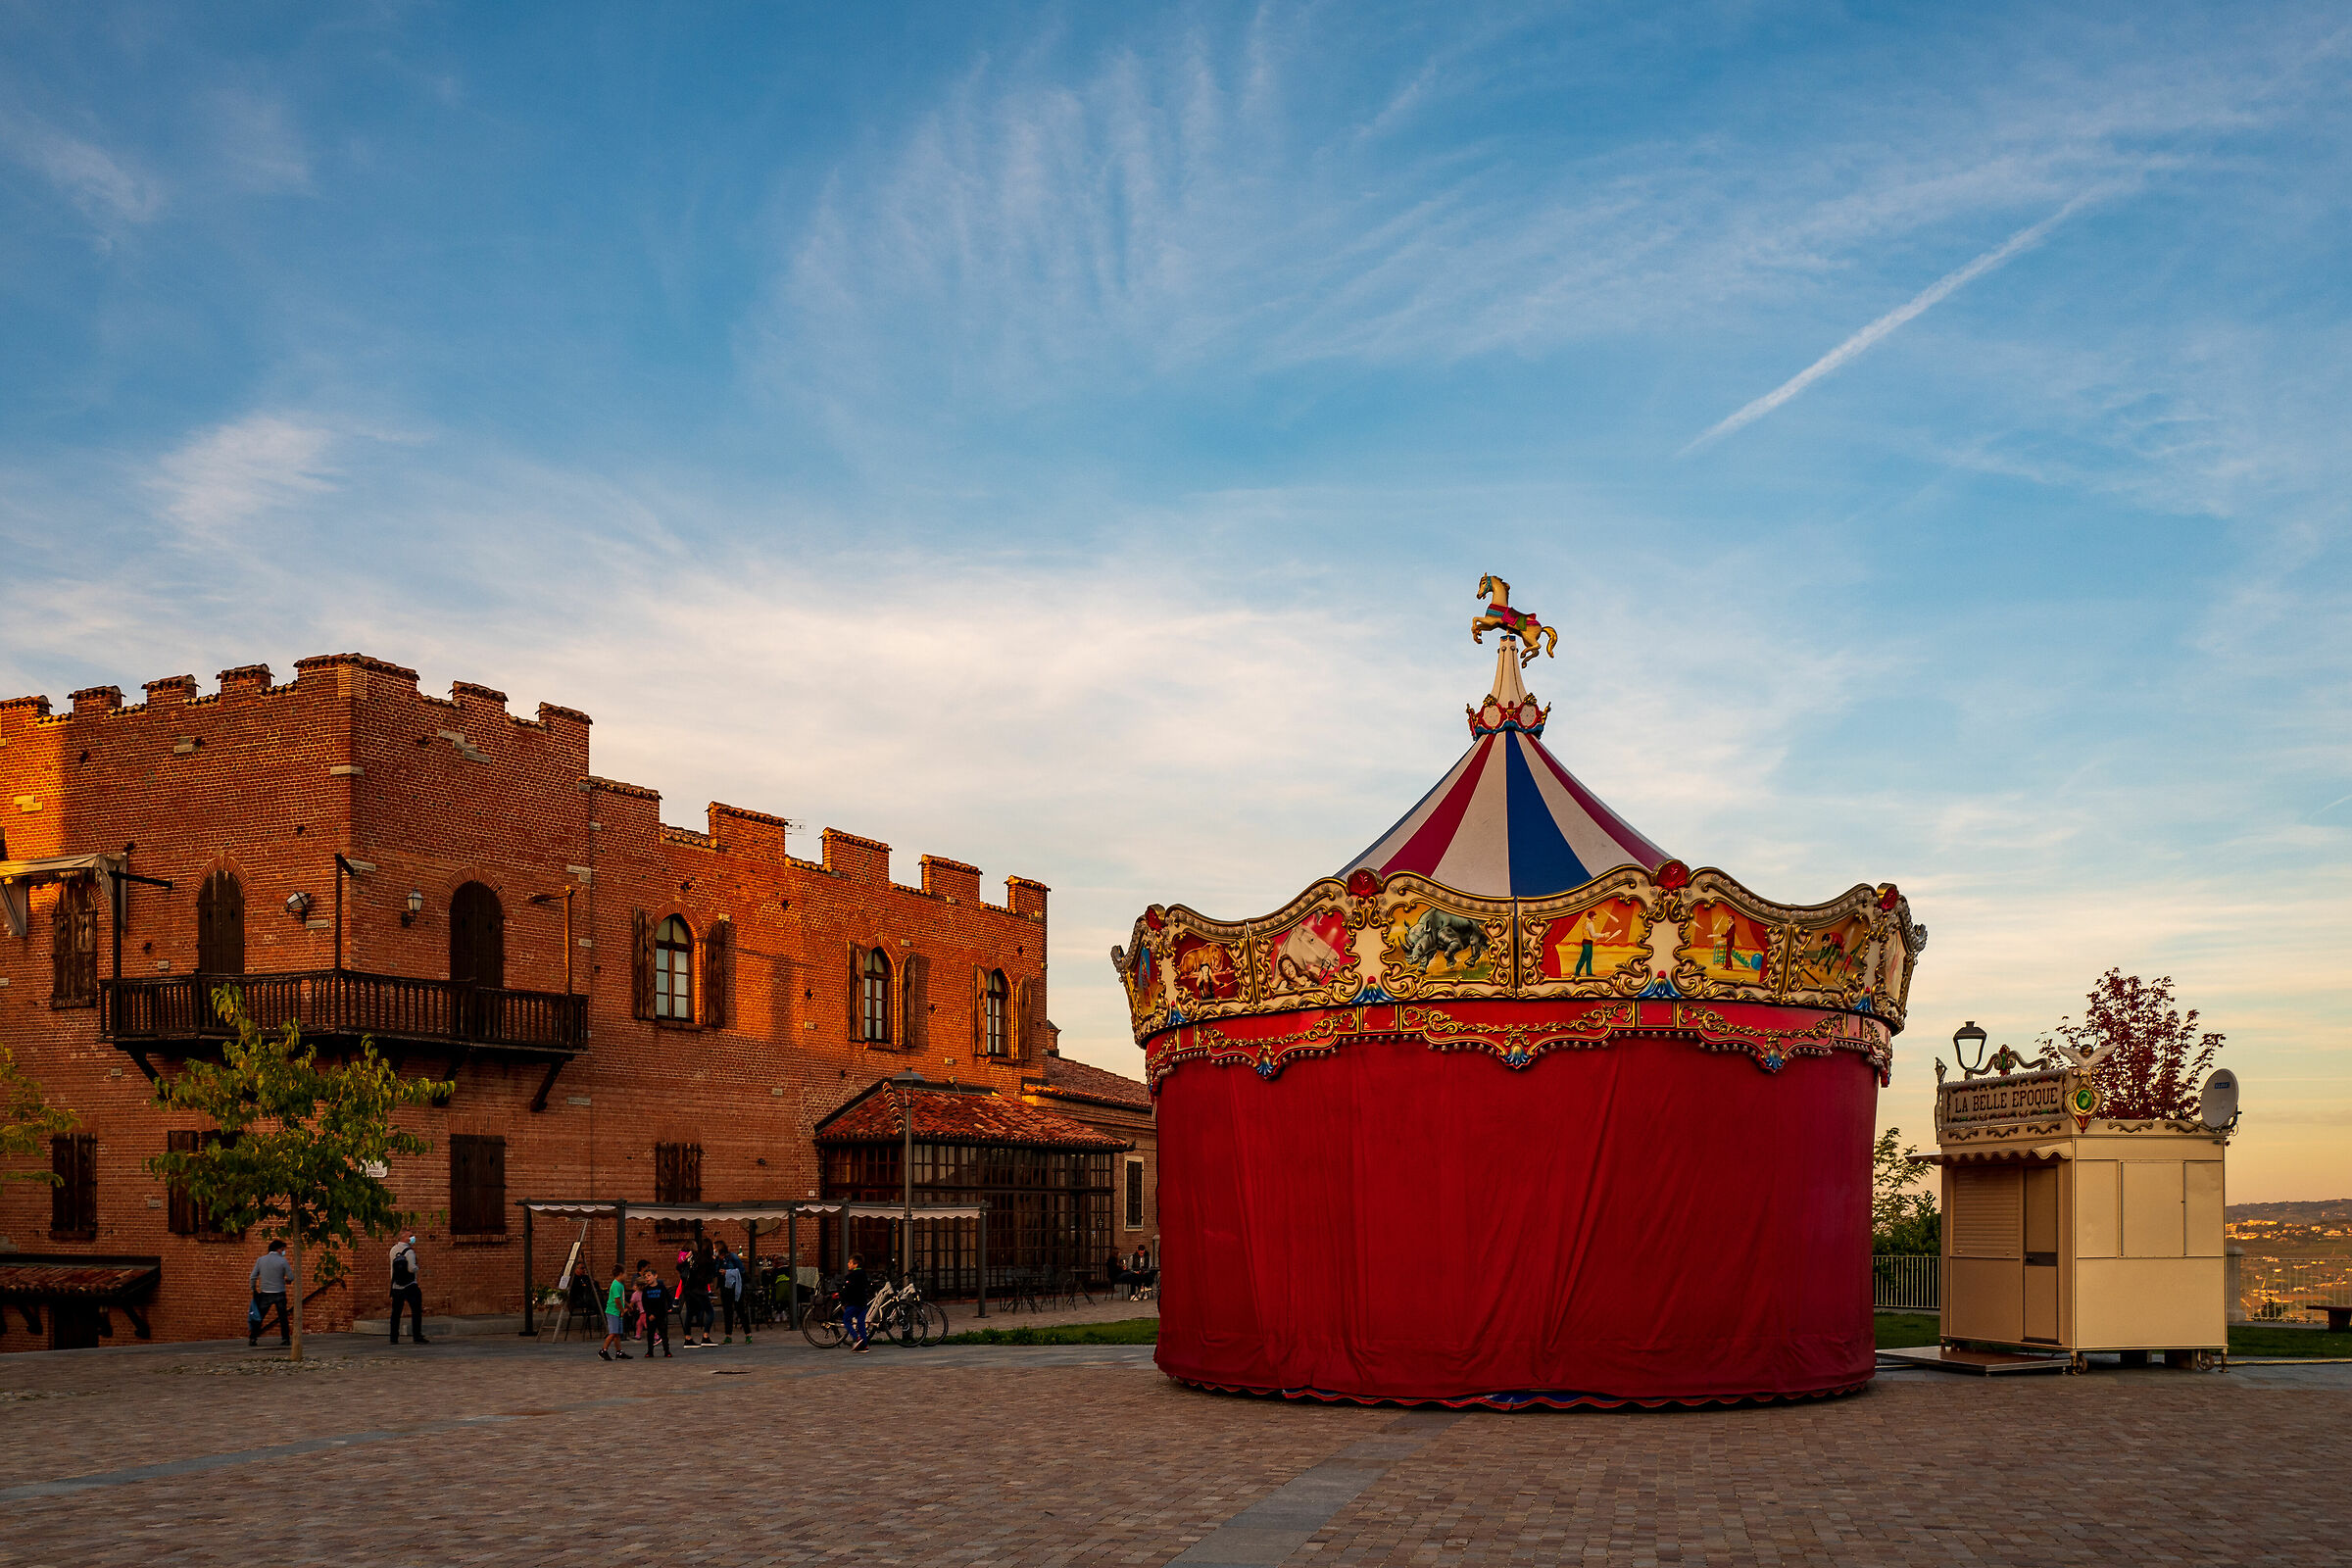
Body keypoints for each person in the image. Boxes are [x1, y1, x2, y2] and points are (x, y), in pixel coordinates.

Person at [248, 1240, 294, 1347]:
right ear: (278, 1249)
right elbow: (291, 1277)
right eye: (283, 1249)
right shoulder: (283, 1261)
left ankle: (253, 1337)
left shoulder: (260, 1260)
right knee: (283, 1317)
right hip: (280, 1292)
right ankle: (285, 1338)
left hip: (265, 1293)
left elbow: (253, 1277)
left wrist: (253, 1289)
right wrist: (287, 1281)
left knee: (260, 1316)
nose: (284, 1252)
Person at [388, 1235, 428, 1345]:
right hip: (410, 1285)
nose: (413, 1238)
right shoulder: (410, 1252)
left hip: (396, 1286)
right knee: (416, 1311)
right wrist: (418, 1267)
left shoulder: (393, 1249)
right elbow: (411, 1268)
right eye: (411, 1236)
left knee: (396, 1312)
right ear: (406, 1239)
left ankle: (393, 1337)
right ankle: (417, 1336)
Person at [840, 1253, 876, 1353]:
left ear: (855, 1264)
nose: (848, 1264)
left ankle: (857, 1338)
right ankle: (864, 1345)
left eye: (850, 1262)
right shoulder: (864, 1274)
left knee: (846, 1320)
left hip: (854, 1303)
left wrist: (843, 1299)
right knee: (861, 1324)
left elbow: (847, 1289)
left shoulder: (851, 1275)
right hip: (863, 1303)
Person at [636, 1260, 672, 1357]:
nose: (647, 1278)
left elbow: (665, 1299)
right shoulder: (646, 1289)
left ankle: (667, 1350)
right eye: (645, 1276)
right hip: (650, 1315)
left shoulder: (661, 1287)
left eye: (649, 1275)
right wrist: (649, 1313)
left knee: (663, 1333)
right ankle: (650, 1351)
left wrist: (669, 1307)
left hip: (660, 1314)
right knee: (650, 1334)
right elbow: (645, 1302)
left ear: (655, 1276)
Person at [718, 1244, 747, 1345]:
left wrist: (728, 1272)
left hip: (735, 1287)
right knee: (727, 1312)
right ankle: (728, 1335)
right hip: (724, 1287)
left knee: (740, 1310)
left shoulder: (732, 1257)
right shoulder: (718, 1260)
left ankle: (748, 1334)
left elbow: (742, 1270)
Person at [601, 1270, 631, 1361]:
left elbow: (621, 1298)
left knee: (617, 1333)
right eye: (625, 1273)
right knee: (613, 1332)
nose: (626, 1275)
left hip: (617, 1312)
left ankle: (619, 1352)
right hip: (613, 1311)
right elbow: (617, 1300)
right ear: (620, 1274)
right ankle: (603, 1350)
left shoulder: (620, 1284)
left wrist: (627, 1305)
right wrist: (622, 1310)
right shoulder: (616, 1285)